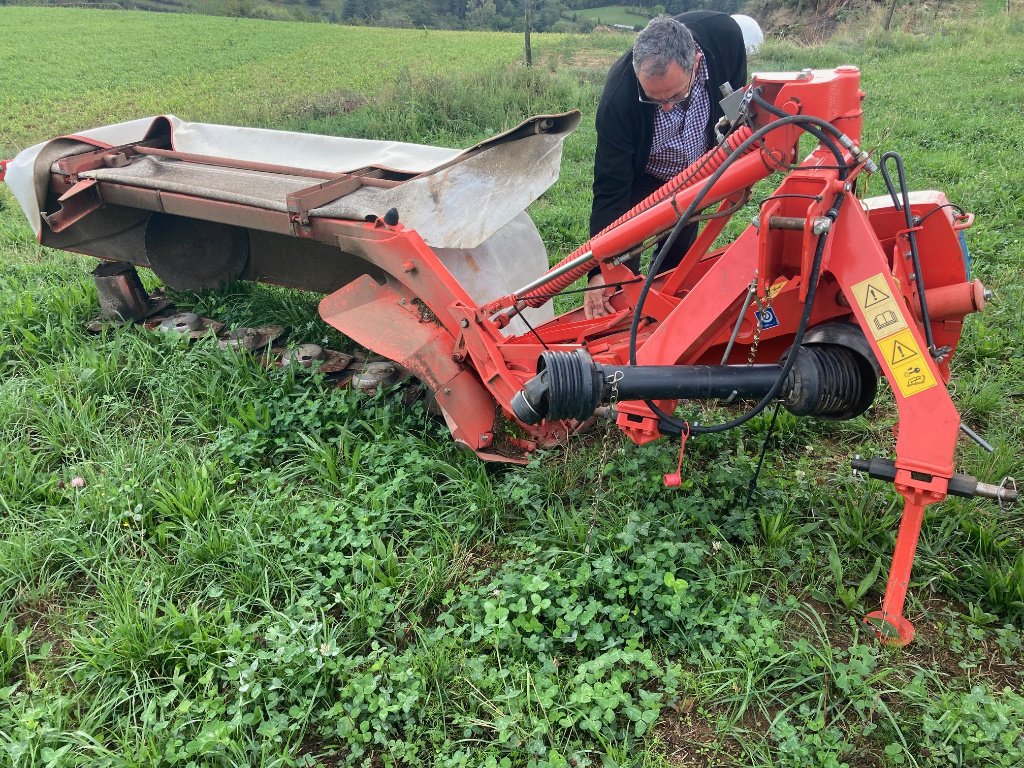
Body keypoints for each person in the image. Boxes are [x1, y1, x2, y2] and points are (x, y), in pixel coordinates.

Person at [584, 12, 749, 319]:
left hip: (696, 171)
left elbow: (736, 104)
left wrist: (731, 155)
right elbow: (610, 189)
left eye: (675, 95)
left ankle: (662, 312)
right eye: (653, 99)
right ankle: (624, 313)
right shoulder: (618, 99)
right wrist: (601, 269)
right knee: (623, 259)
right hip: (644, 177)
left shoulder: (724, 38)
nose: (667, 106)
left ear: (696, 63)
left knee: (678, 254)